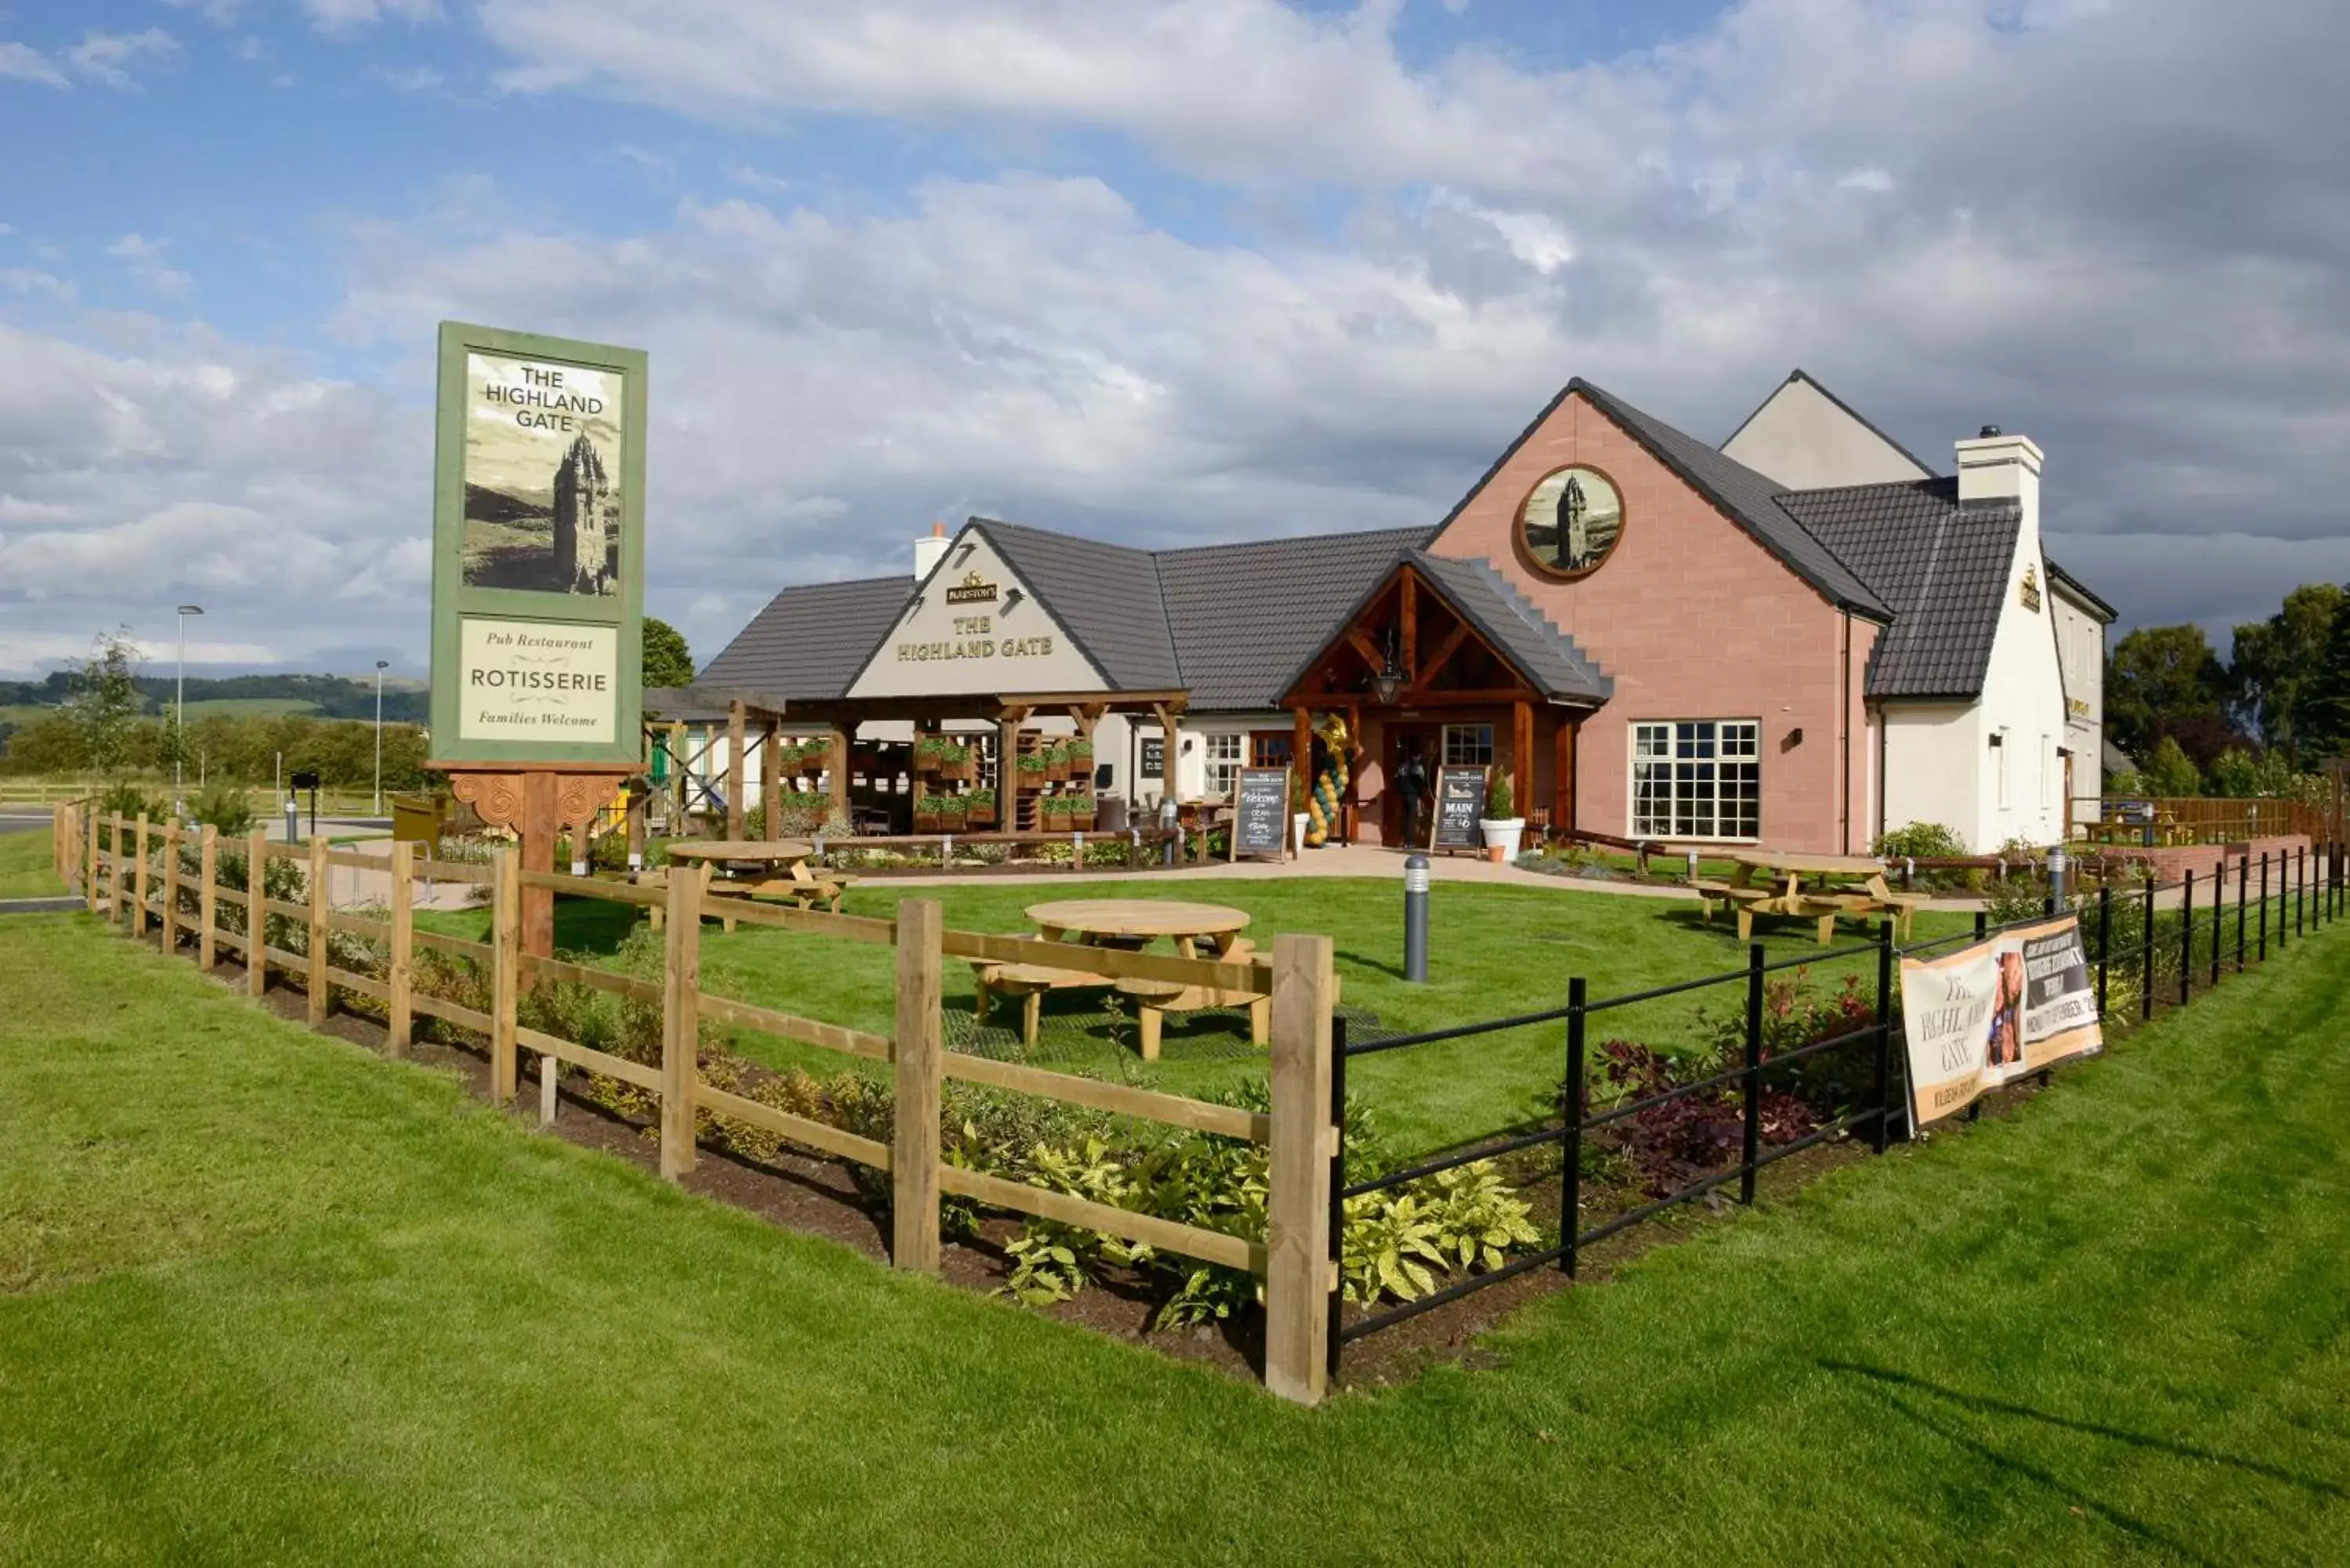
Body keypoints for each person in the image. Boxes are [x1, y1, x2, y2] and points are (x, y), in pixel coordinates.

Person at [1393, 740, 1429, 847]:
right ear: (1418, 756)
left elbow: (1397, 778)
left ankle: (1401, 840)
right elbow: (1422, 781)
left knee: (1404, 817)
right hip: (1412, 794)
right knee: (1411, 819)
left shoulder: (1404, 766)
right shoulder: (1418, 767)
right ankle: (1410, 841)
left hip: (1403, 794)